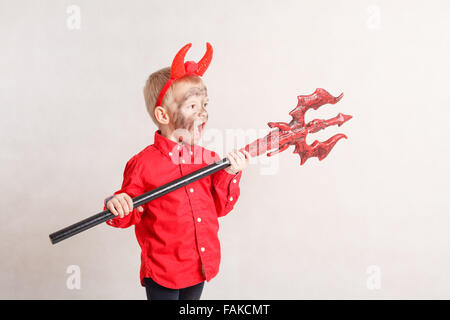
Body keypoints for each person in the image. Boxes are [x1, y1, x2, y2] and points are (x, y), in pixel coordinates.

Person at [103, 43, 251, 300]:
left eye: (205, 104)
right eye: (193, 106)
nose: (203, 113)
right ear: (163, 114)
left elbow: (220, 208)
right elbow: (128, 214)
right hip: (164, 271)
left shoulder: (208, 160)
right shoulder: (143, 164)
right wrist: (117, 204)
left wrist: (231, 174)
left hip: (200, 263)